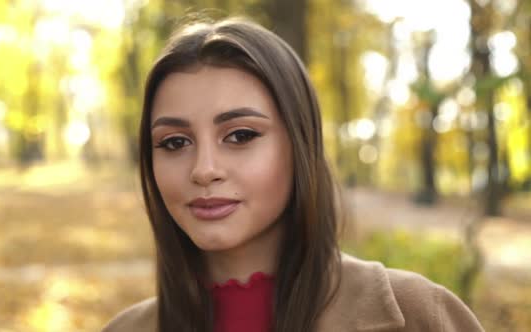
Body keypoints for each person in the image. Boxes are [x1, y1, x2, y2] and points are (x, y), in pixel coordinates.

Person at [102, 17, 484, 332]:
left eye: (240, 135)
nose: (204, 170)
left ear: (300, 146)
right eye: (174, 143)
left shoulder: (421, 316)